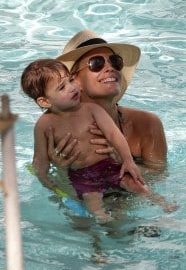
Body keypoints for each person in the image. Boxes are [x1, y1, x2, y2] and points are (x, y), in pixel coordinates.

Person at [21, 58, 149, 223]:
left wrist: (128, 160)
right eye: (62, 87)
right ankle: (104, 221)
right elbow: (40, 161)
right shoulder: (43, 126)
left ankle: (162, 204)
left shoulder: (91, 109)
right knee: (92, 202)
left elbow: (114, 134)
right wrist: (52, 186)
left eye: (71, 80)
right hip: (81, 175)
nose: (72, 87)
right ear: (45, 101)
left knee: (136, 184)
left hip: (108, 165)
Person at [47, 29, 167, 173]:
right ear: (74, 81)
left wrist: (119, 162)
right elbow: (53, 190)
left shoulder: (146, 125)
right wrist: (60, 172)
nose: (110, 68)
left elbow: (159, 179)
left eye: (115, 62)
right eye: (96, 63)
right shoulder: (59, 134)